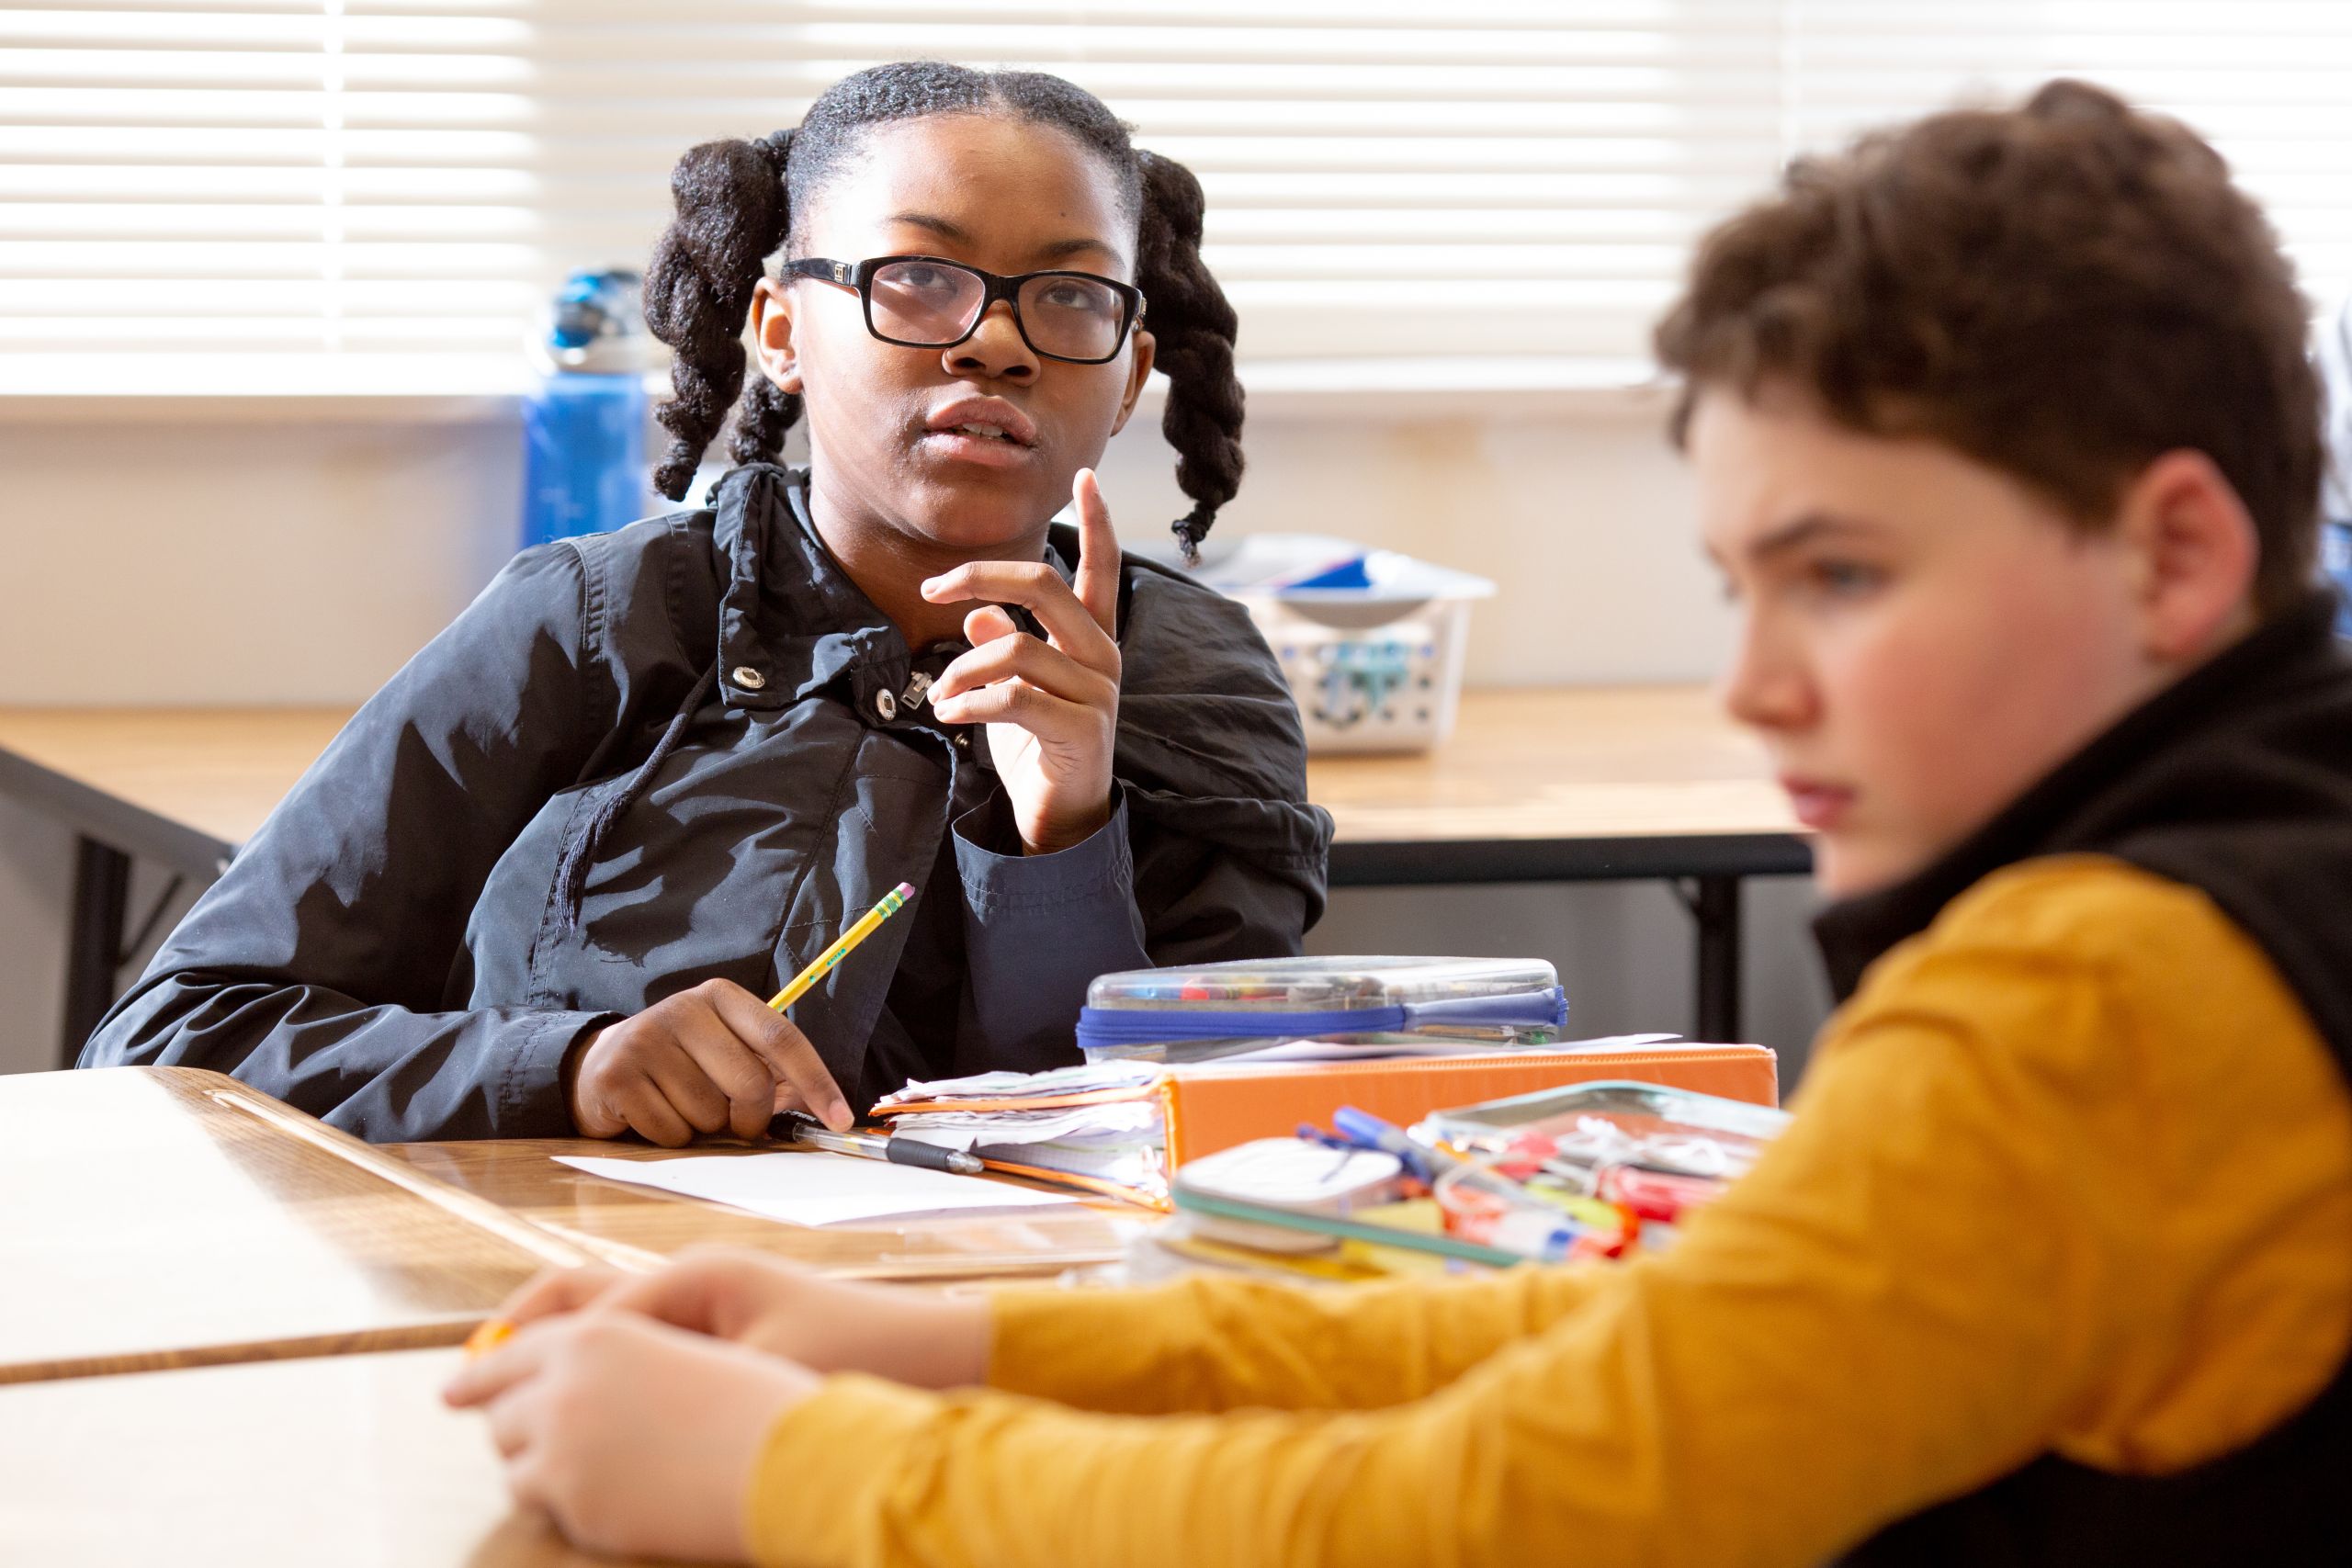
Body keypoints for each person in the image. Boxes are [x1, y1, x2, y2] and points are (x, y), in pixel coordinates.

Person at [446, 80, 2352, 1564]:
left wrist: (787, 1465)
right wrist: (941, 1343)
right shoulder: (2253, 878)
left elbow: (1481, 1512)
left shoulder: (2103, 994)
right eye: (1739, 586)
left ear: (2172, 551)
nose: (1753, 689)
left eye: (1839, 574)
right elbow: (1637, 1343)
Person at [82, 62, 1331, 1143]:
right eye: (919, 277)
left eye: (1069, 296)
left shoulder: (1190, 676)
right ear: (781, 331)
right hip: (592, 1311)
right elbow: (176, 1033)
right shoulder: (595, 626)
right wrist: (565, 1066)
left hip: (996, 1331)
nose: (995, 342)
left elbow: (1188, 1129)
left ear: (1127, 380)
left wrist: (1063, 841)